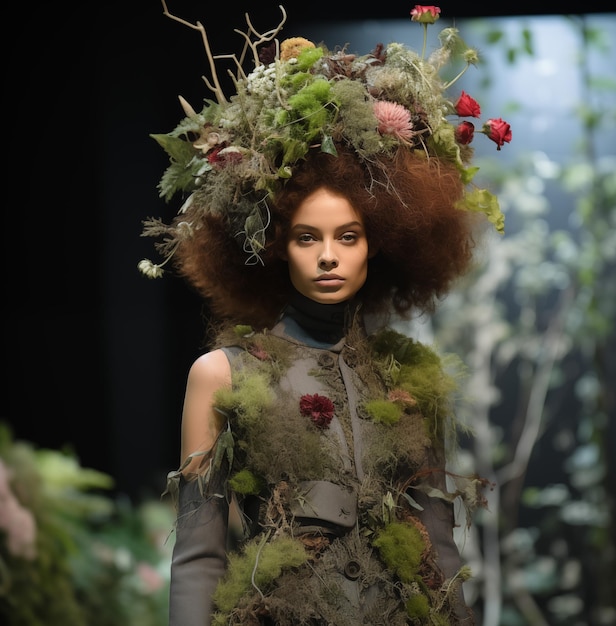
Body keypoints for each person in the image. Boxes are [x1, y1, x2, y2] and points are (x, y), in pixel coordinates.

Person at [140, 4, 510, 625]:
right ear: (276, 247)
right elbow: (200, 557)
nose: (329, 257)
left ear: (381, 244)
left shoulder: (411, 383)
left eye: (349, 236)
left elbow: (441, 553)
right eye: (307, 238)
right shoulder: (224, 375)